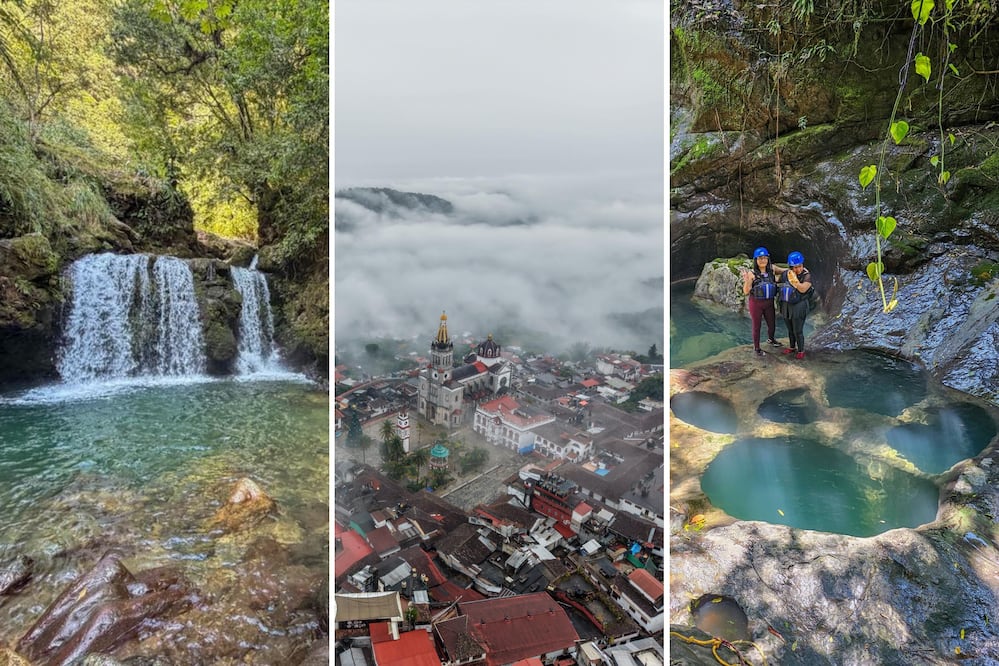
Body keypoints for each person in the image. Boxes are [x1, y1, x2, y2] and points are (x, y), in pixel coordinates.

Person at [740, 247, 785, 357]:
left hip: (769, 302)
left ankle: (771, 339)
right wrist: (746, 280)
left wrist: (797, 269)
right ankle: (757, 348)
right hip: (756, 303)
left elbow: (785, 271)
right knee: (757, 326)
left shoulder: (772, 269)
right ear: (756, 260)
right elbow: (746, 291)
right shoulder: (752, 274)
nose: (763, 260)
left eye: (765, 258)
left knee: (772, 323)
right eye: (760, 258)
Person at [776, 251, 813, 360]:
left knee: (798, 330)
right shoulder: (786, 274)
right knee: (790, 329)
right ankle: (792, 347)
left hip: (799, 306)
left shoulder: (807, 275)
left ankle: (801, 350)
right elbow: (777, 280)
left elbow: (803, 288)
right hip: (787, 305)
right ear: (790, 267)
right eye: (795, 267)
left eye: (800, 266)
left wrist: (794, 280)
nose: (798, 269)